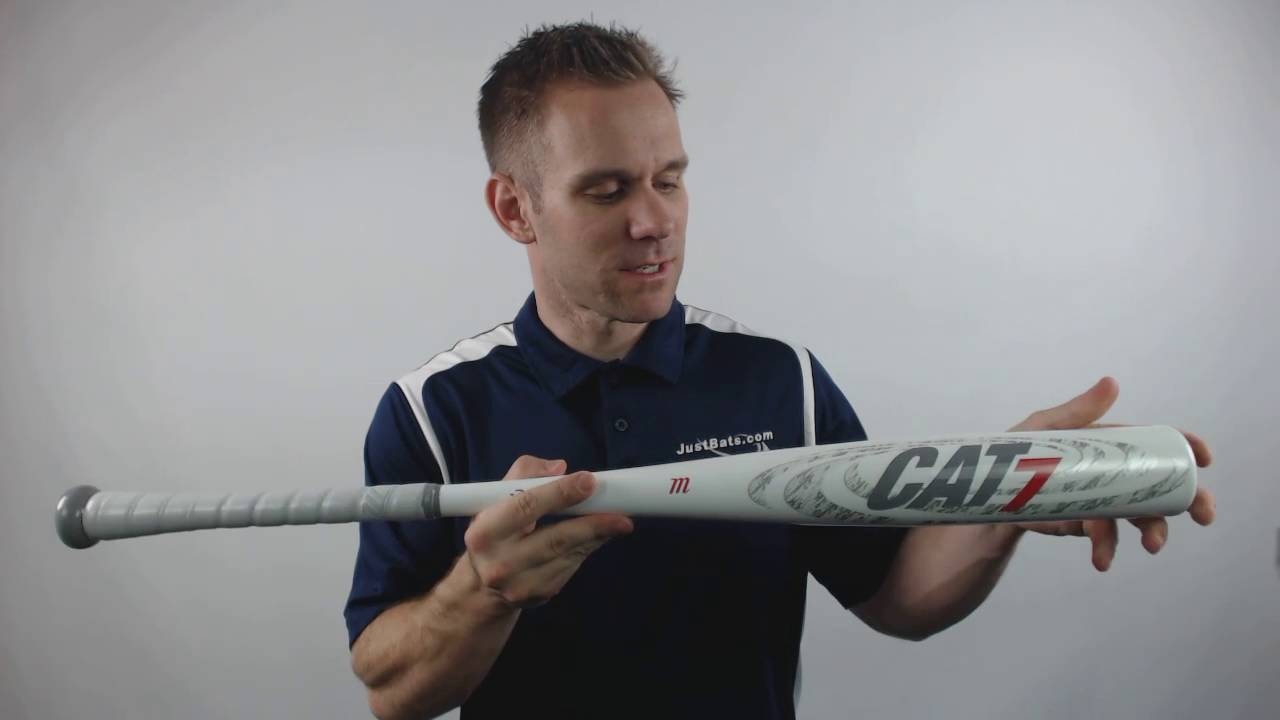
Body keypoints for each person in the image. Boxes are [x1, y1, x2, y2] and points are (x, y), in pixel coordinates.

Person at [343, 22, 1216, 720]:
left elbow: (896, 596)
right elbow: (391, 690)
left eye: (669, 180)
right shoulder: (433, 409)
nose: (654, 221)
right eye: (607, 191)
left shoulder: (779, 380)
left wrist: (1004, 490)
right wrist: (484, 591)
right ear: (515, 209)